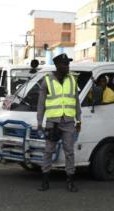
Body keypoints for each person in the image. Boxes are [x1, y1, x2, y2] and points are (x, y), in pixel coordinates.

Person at [37, 53, 81, 192]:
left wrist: (79, 119)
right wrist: (40, 121)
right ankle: (45, 181)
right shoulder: (47, 81)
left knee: (69, 152)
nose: (68, 66)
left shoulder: (73, 80)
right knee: (48, 151)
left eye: (68, 63)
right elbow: (41, 104)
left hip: (68, 122)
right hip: (53, 122)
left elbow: (76, 102)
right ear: (57, 65)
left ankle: (70, 181)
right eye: (65, 64)